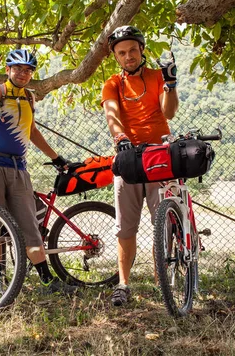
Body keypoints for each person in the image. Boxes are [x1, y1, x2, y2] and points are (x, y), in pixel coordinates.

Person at [0, 49, 77, 295]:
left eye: (28, 70)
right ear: (8, 70)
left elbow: (31, 131)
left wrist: (56, 157)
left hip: (19, 167)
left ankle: (46, 279)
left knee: (30, 225)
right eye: (18, 68)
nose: (23, 73)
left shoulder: (29, 98)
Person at [101, 26, 179, 306]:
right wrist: (120, 137)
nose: (128, 56)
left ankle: (162, 278)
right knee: (126, 228)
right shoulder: (112, 83)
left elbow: (168, 111)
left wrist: (170, 85)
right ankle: (123, 283)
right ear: (116, 57)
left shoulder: (156, 77)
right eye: (122, 53)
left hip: (160, 154)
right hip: (129, 157)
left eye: (133, 49)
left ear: (142, 50)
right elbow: (112, 114)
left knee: (165, 222)